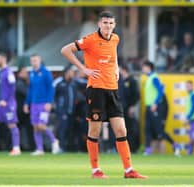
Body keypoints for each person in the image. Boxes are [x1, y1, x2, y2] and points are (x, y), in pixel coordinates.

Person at [61, 11, 147, 179]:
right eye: (105, 23)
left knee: (121, 130)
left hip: (112, 90)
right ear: (99, 24)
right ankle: (96, 171)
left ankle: (129, 170)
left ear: (114, 25)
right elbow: (65, 50)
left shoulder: (115, 39)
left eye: (111, 23)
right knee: (95, 131)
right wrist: (83, 69)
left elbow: (113, 55)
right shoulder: (90, 40)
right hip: (96, 90)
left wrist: (115, 68)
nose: (108, 26)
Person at [23, 54, 59, 156]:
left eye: (35, 60)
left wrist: (49, 102)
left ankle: (54, 141)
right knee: (35, 127)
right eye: (32, 61)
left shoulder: (46, 73)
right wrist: (27, 103)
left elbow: (51, 88)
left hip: (43, 103)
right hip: (34, 104)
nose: (34, 62)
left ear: (39, 60)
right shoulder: (32, 74)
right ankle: (40, 149)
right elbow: (30, 89)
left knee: (41, 126)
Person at [142, 61, 166, 155]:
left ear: (148, 67)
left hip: (154, 107)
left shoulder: (154, 77)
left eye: (144, 67)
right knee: (147, 128)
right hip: (148, 107)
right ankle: (148, 149)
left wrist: (155, 103)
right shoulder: (148, 78)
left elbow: (160, 91)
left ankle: (174, 144)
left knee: (158, 130)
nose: (142, 69)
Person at [54, 65, 77, 152]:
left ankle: (68, 148)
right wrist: (58, 107)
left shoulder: (73, 83)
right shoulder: (59, 83)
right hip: (62, 111)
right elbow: (53, 95)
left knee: (69, 130)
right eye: (71, 72)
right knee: (62, 130)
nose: (73, 74)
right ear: (67, 73)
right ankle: (61, 147)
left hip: (71, 111)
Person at [119, 63, 140, 153]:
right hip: (120, 108)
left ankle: (132, 148)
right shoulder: (120, 81)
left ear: (124, 70)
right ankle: (123, 148)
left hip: (128, 108)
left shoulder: (132, 81)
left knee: (130, 128)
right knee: (122, 129)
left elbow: (136, 95)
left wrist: (132, 106)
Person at [16, 66, 34, 151]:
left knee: (29, 130)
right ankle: (15, 147)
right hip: (20, 111)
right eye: (24, 72)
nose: (27, 73)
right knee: (18, 130)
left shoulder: (25, 83)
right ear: (19, 74)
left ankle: (31, 147)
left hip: (25, 111)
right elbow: (28, 93)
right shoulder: (19, 83)